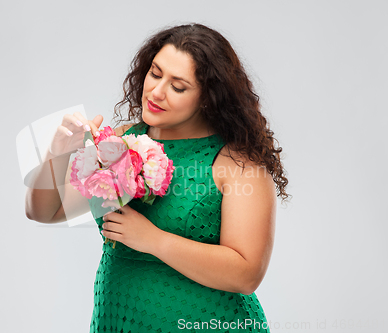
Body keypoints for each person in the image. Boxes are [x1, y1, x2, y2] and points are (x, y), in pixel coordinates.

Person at [25, 23, 289, 332]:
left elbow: (247, 274)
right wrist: (58, 152)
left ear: (208, 98)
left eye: (178, 87)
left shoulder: (237, 165)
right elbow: (44, 212)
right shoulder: (120, 142)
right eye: (155, 73)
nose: (156, 92)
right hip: (119, 320)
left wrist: (154, 240)